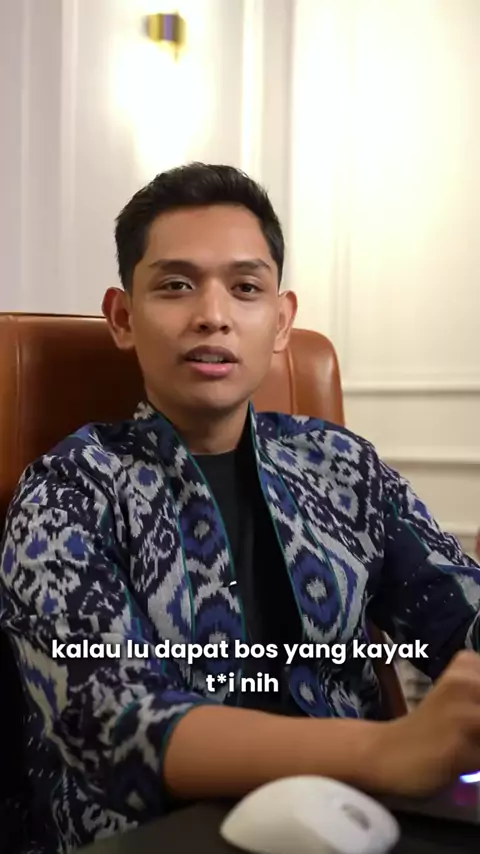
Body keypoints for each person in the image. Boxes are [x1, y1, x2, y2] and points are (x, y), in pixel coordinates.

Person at [0, 162, 480, 854]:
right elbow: (118, 720)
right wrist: (387, 751)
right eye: (176, 285)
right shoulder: (69, 492)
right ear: (123, 318)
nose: (213, 315)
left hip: (362, 821)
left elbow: (460, 614)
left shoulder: (342, 466)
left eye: (246, 288)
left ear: (281, 321)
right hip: (161, 838)